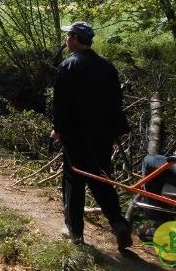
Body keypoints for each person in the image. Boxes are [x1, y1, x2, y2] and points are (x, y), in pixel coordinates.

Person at [50, 21, 133, 250]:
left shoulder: (68, 66)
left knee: (73, 181)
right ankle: (118, 222)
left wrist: (58, 129)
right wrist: (119, 130)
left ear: (76, 39)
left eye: (69, 36)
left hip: (77, 136)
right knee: (101, 178)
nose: (66, 40)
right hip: (103, 136)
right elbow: (117, 101)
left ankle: (75, 232)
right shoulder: (107, 65)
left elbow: (62, 103)